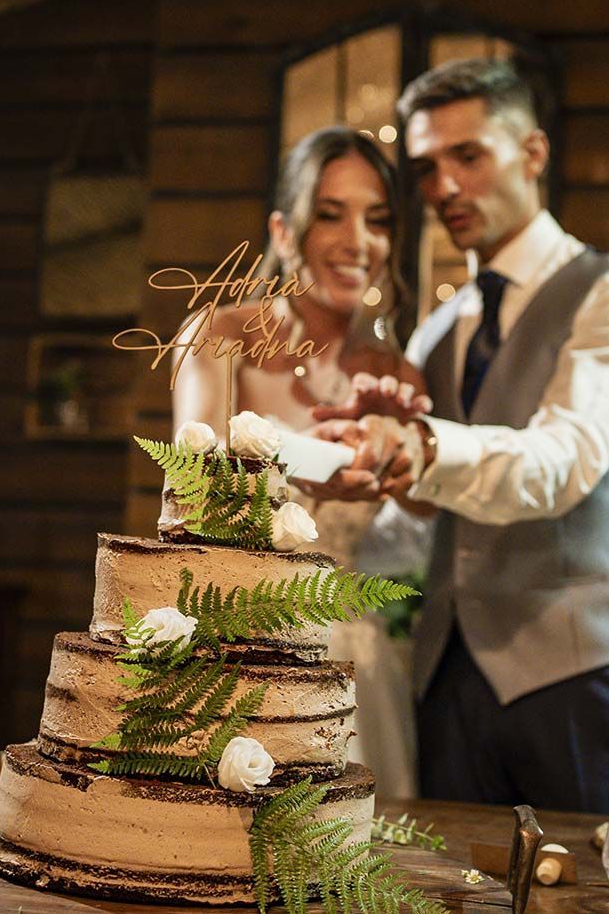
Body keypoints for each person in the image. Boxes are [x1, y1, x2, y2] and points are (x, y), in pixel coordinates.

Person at [310, 59, 609, 812]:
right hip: (445, 687)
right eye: (426, 168)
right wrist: (356, 482)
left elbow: (560, 461)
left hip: (582, 683)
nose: (444, 187)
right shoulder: (441, 332)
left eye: (468, 156)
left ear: (533, 153)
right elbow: (419, 535)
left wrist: (422, 446)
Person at [172, 125, 428, 797]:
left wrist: (402, 445)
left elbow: (427, 515)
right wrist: (323, 459)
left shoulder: (396, 375)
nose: (359, 241)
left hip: (352, 661)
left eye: (378, 220)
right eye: (330, 213)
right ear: (284, 231)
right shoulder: (219, 335)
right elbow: (195, 484)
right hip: (230, 645)